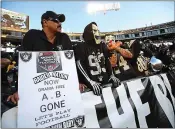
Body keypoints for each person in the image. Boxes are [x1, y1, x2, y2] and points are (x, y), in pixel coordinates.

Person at [6, 11, 73, 105]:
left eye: (60, 22)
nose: (60, 24)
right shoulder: (32, 36)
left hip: (59, 87)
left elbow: (70, 65)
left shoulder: (64, 38)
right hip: (37, 87)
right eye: (56, 21)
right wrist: (20, 90)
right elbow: (23, 64)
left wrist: (75, 83)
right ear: (45, 22)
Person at [74, 22, 120, 96]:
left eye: (98, 30)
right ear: (88, 33)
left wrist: (111, 75)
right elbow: (79, 64)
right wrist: (89, 81)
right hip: (91, 87)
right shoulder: (81, 46)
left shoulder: (102, 45)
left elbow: (107, 60)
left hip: (105, 82)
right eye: (94, 31)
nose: (98, 33)